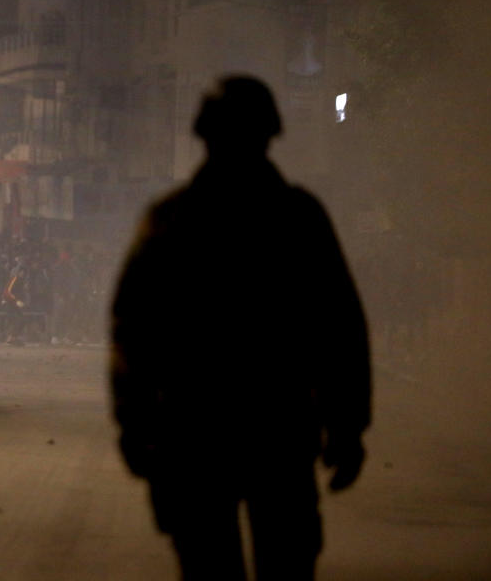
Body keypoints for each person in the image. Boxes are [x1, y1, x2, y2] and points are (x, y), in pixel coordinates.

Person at [110, 76, 371, 581]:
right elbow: (340, 329)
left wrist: (134, 424)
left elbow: (133, 335)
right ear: (270, 133)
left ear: (203, 135)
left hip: (195, 434)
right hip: (278, 430)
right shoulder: (298, 218)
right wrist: (348, 427)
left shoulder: (170, 220)